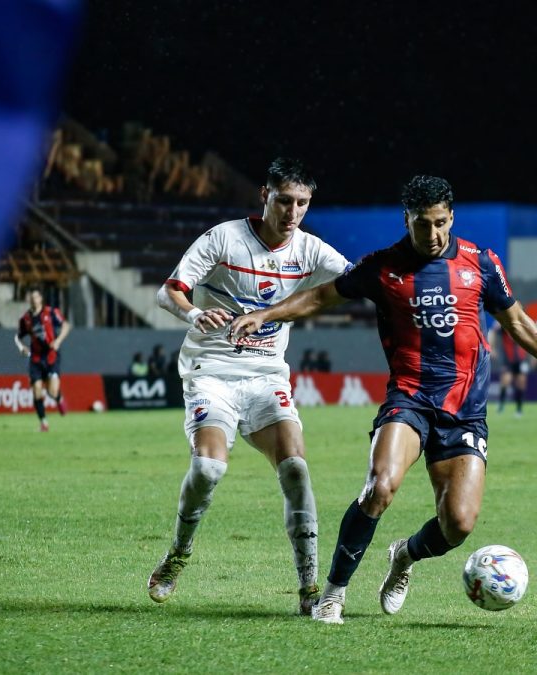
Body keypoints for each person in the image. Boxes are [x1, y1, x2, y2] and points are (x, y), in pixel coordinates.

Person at [230, 175, 537, 624]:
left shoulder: (480, 263)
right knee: (379, 486)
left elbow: (518, 323)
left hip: (464, 411)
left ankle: (404, 556)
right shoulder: (384, 267)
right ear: (406, 220)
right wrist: (265, 314)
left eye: (441, 223)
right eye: (422, 225)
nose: (433, 235)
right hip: (408, 400)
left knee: (458, 524)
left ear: (451, 217)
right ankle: (333, 594)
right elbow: (321, 297)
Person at [148, 157, 351, 614]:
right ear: (265, 195)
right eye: (284, 200)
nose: (293, 211)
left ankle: (309, 589)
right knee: (208, 470)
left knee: (296, 468)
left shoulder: (312, 251)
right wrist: (196, 314)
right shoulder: (224, 239)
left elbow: (359, 283)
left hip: (265, 377)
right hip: (211, 373)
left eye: (302, 202)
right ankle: (179, 553)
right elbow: (169, 291)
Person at [14, 287, 70, 432]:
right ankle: (44, 423)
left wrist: (58, 341)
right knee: (37, 390)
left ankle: (58, 399)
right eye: (31, 298)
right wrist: (21, 347)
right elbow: (17, 336)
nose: (34, 300)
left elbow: (66, 325)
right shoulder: (26, 319)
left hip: (51, 356)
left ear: (40, 299)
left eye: (36, 297)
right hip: (36, 359)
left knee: (52, 391)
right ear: (29, 300)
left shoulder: (51, 313)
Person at [487, 322, 530, 417]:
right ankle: (501, 404)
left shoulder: (524, 324)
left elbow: (534, 337)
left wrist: (534, 357)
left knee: (521, 383)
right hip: (508, 359)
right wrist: (492, 347)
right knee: (506, 380)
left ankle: (519, 409)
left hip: (521, 359)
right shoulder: (505, 324)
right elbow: (492, 332)